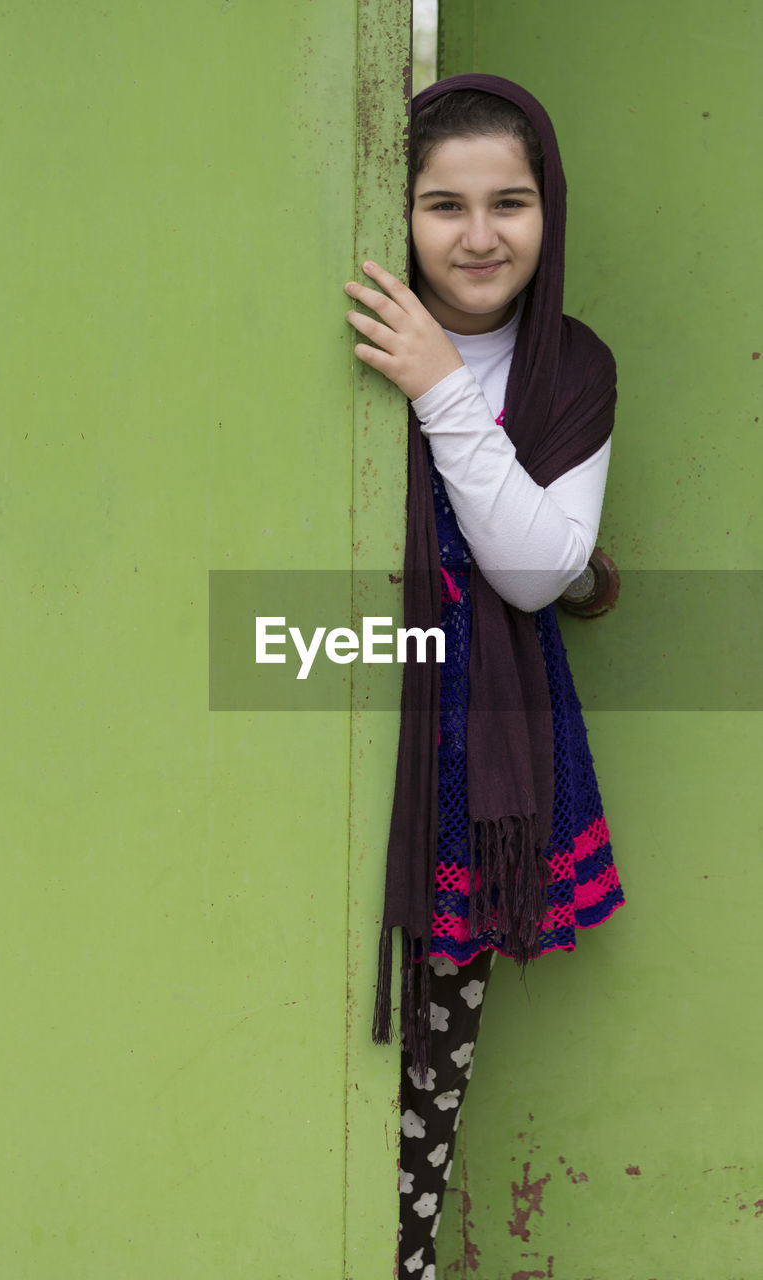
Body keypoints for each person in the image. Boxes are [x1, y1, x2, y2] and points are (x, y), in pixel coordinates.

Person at [344, 74, 625, 1277]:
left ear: (547, 209)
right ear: (395, 210)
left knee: (428, 1073)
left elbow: (533, 569)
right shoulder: (349, 329)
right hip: (342, 713)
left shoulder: (566, 366)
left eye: (507, 201)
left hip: (480, 761)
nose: (475, 234)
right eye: (440, 202)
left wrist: (441, 387)